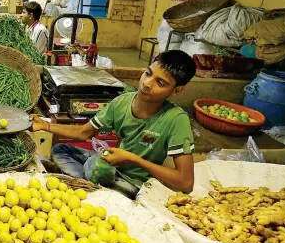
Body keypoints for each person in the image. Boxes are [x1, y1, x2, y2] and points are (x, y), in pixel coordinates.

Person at [31, 50, 196, 196]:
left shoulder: (176, 119)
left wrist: (133, 159)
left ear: (177, 90)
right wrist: (45, 125)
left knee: (121, 190)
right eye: (148, 73)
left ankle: (86, 185)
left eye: (160, 83)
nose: (147, 83)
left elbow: (185, 182)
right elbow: (84, 133)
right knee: (60, 149)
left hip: (134, 182)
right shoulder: (122, 102)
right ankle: (91, 186)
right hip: (112, 165)